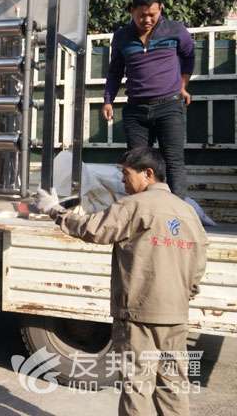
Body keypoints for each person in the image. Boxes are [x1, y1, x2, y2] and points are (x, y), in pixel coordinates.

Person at [37, 147, 207, 416]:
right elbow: (198, 265)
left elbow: (92, 228)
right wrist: (184, 294)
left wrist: (56, 212)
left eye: (127, 174)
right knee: (173, 385)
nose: (123, 180)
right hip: (175, 314)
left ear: (148, 173)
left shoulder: (134, 206)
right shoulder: (187, 211)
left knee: (137, 384)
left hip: (139, 314)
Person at [102, 0, 195, 197]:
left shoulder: (175, 30)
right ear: (132, 11)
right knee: (136, 163)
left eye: (153, 14)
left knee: (173, 160)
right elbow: (115, 70)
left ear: (160, 9)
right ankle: (140, 207)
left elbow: (189, 56)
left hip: (169, 106)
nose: (147, 20)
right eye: (142, 15)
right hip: (136, 110)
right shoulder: (122, 37)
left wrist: (182, 85)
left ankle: (176, 209)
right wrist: (108, 100)